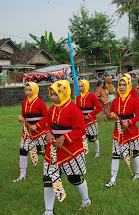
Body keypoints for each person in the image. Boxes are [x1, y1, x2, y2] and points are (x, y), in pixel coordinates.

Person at [43, 81, 91, 214]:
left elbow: (81, 130)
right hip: (53, 150)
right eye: (51, 94)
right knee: (48, 178)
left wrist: (65, 137)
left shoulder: (74, 109)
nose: (53, 97)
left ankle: (86, 200)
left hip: (70, 150)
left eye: (56, 94)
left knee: (74, 178)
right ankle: (48, 210)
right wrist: (48, 133)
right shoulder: (52, 109)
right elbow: (49, 125)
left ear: (64, 93)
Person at [105, 77, 139, 188]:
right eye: (120, 85)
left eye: (124, 85)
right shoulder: (115, 101)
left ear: (128, 86)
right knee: (116, 154)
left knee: (134, 154)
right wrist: (110, 115)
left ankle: (138, 173)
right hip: (118, 131)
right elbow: (111, 116)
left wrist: (130, 122)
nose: (121, 87)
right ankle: (113, 179)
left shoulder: (133, 100)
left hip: (131, 131)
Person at [13, 82, 49, 182]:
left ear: (35, 90)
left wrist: (37, 125)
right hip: (27, 132)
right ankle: (22, 174)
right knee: (23, 150)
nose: (28, 92)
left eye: (30, 89)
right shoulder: (24, 102)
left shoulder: (40, 102)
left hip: (40, 133)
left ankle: (52, 170)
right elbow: (24, 116)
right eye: (26, 90)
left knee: (44, 152)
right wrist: (21, 118)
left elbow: (47, 117)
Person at [76, 80, 102, 158]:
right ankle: (83, 151)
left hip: (91, 121)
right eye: (80, 86)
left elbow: (99, 108)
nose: (81, 88)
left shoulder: (92, 96)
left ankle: (97, 152)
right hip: (82, 121)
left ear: (86, 86)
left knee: (93, 138)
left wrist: (90, 115)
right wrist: (80, 115)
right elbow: (76, 109)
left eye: (82, 86)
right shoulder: (78, 98)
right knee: (81, 138)